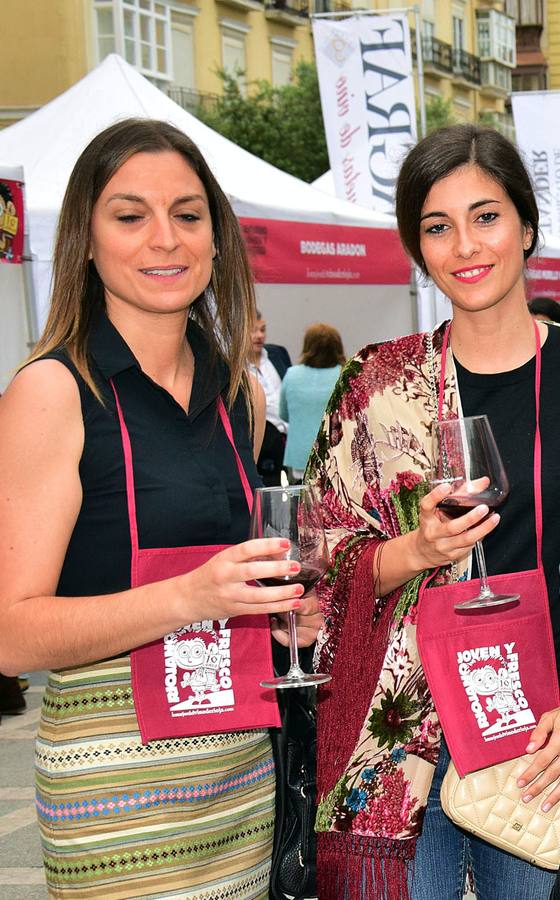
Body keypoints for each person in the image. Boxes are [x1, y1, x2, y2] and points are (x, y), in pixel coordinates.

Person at [308, 123, 560, 900]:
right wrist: (415, 550)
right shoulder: (377, 386)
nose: (466, 244)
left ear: (526, 227)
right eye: (437, 226)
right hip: (407, 739)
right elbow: (321, 558)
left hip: (557, 734)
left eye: (486, 216)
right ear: (418, 249)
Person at [0, 118, 321, 899]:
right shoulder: (52, 391)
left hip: (240, 782)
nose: (164, 240)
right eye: (129, 215)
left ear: (217, 238)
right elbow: (10, 635)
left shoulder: (236, 391)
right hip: (117, 795)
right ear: (86, 238)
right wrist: (190, 597)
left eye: (187, 214)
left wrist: (280, 618)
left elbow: (228, 580)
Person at [279, 322, 345, 481]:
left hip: (299, 458)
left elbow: (283, 414)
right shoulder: (344, 374)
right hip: (336, 456)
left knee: (301, 504)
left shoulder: (291, 374)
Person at [249, 308, 290, 486]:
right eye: (253, 330)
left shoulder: (277, 353)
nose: (259, 335)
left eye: (263, 330)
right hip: (262, 445)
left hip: (289, 441)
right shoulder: (233, 366)